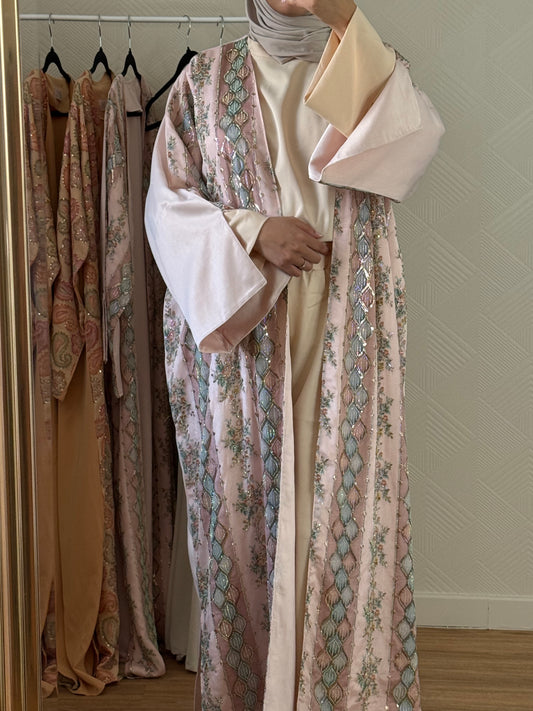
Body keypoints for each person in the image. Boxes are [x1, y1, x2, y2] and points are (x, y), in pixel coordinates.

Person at [145, 1, 444, 709]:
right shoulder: (205, 81)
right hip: (247, 333)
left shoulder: (375, 71)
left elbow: (413, 142)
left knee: (341, 515)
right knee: (246, 523)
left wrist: (343, 18)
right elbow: (167, 208)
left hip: (347, 329)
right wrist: (253, 231)